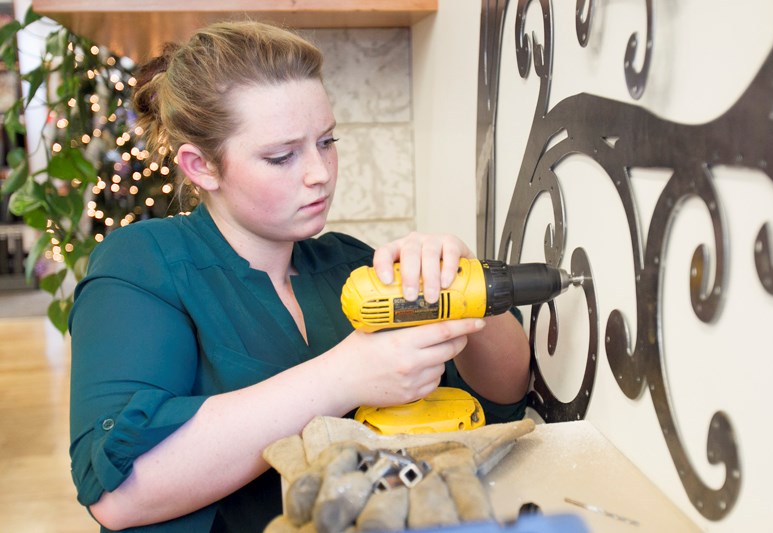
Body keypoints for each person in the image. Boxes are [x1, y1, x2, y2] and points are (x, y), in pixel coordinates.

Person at [68, 21, 531, 532]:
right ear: (201, 167)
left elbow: (504, 395)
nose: (320, 173)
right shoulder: (141, 265)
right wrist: (343, 377)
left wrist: (466, 278)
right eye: (281, 156)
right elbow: (119, 495)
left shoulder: (352, 265)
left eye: (326, 141)